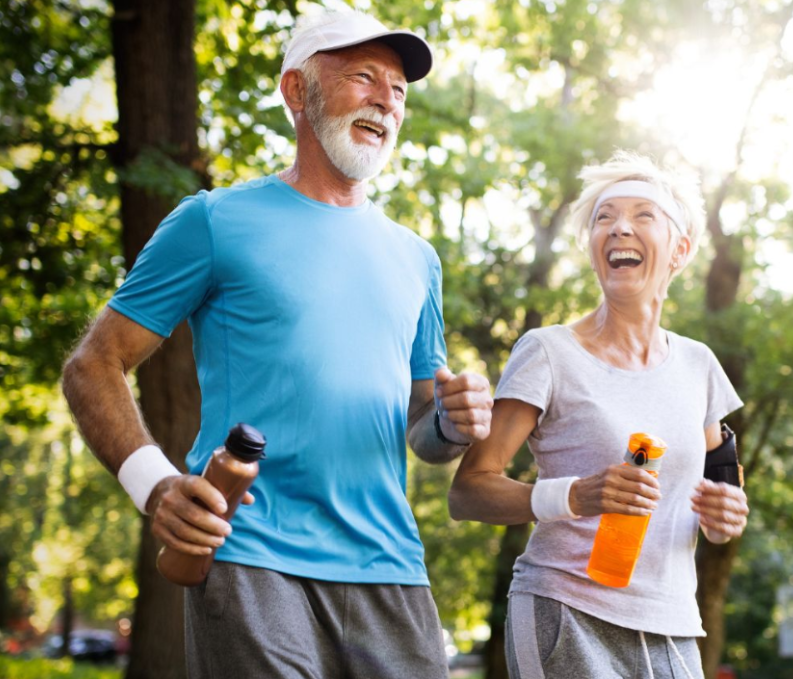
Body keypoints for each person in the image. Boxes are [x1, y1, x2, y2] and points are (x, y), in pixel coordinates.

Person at [62, 8, 492, 679]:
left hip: (390, 566)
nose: (386, 99)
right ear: (298, 91)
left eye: (399, 90)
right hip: (253, 555)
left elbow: (422, 429)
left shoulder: (417, 259)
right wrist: (155, 485)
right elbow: (94, 364)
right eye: (363, 77)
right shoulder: (214, 221)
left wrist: (453, 423)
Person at [449, 151, 749, 679]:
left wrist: (727, 518)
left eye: (642, 215)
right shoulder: (547, 352)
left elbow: (720, 480)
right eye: (604, 218)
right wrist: (574, 496)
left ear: (678, 250)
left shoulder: (699, 365)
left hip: (674, 624)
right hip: (565, 609)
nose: (619, 229)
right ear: (592, 248)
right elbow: (468, 489)